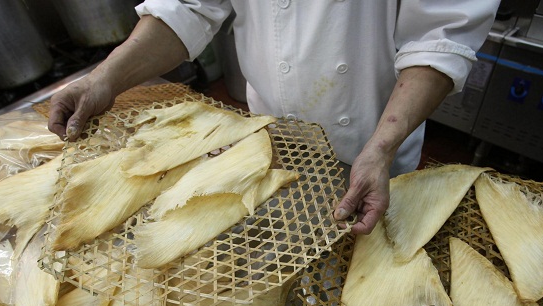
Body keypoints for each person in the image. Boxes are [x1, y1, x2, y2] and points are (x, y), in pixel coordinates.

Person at [48, 0, 500, 234]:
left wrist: (380, 149)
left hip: (373, 144)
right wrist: (105, 78)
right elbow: (187, 7)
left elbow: (439, 37)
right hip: (268, 141)